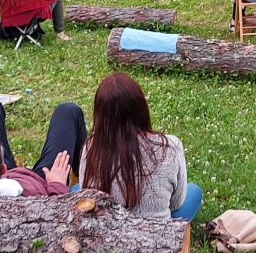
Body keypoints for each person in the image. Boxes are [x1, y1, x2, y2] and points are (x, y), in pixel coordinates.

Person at [79, 72, 202, 220]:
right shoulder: (171, 146)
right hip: (155, 233)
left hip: (107, 233)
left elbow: (87, 197)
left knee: (75, 190)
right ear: (141, 107)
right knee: (194, 191)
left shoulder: (90, 148)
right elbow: (176, 203)